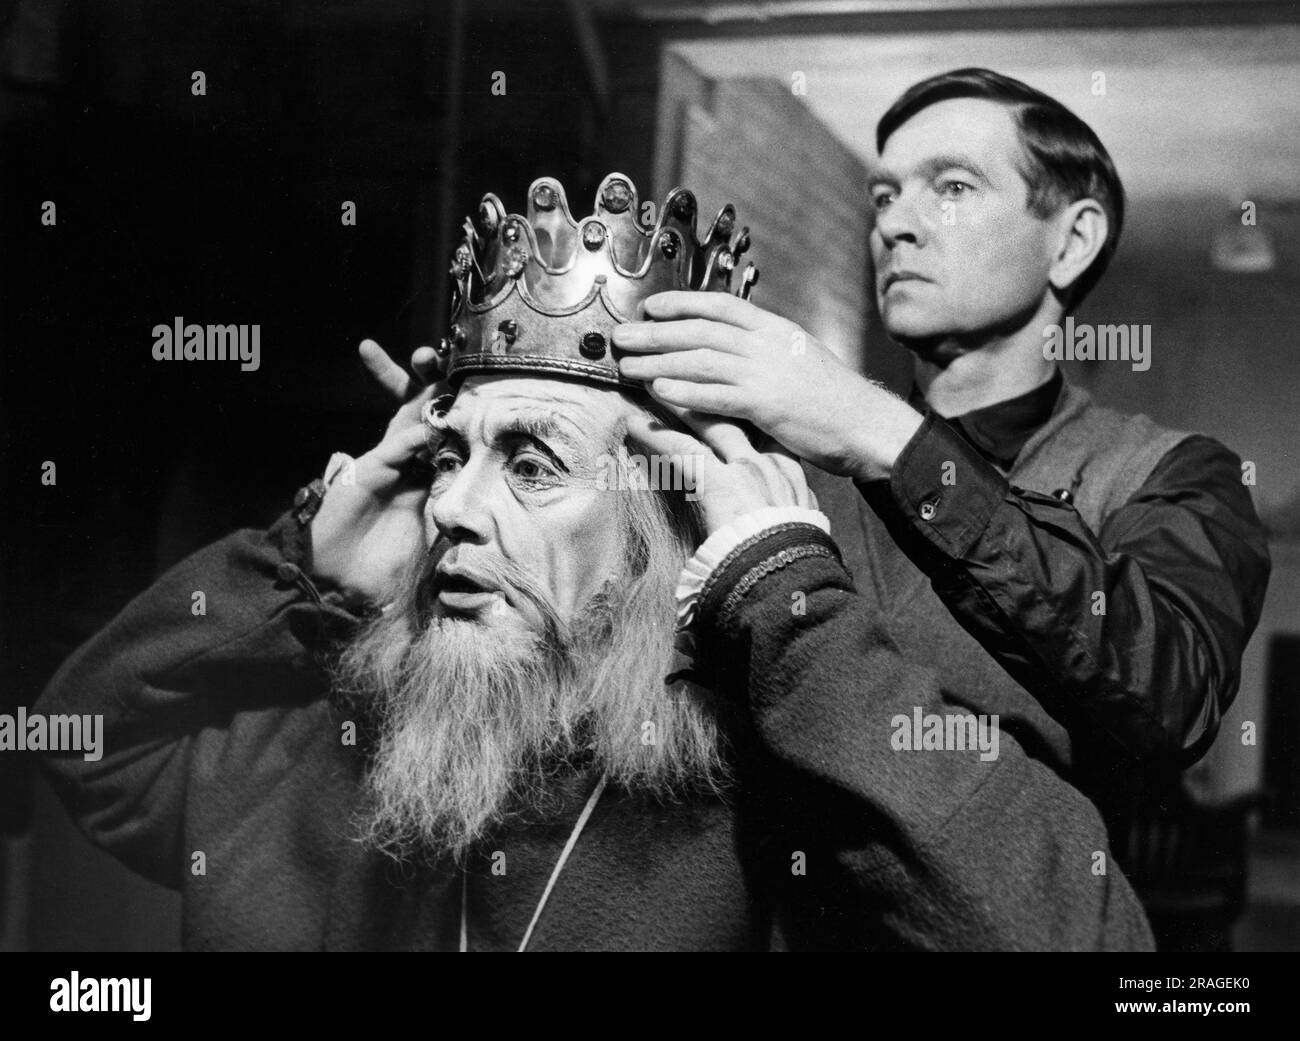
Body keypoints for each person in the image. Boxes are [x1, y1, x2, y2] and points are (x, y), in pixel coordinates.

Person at [36, 330, 1153, 950]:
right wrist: (302, 569)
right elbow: (86, 744)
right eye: (445, 459)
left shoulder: (779, 813)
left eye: (529, 464)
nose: (449, 509)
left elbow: (1077, 934)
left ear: (661, 523)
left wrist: (791, 609)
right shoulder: (360, 735)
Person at [613, 68, 1271, 815]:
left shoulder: (1172, 472)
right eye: (884, 196)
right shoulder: (777, 461)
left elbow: (1172, 695)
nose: (895, 225)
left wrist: (881, 433)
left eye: (953, 187)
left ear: (1072, 241)